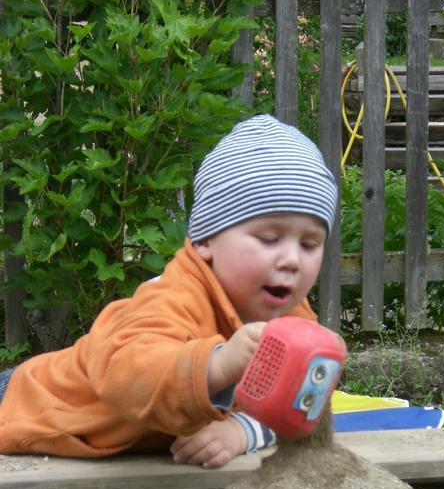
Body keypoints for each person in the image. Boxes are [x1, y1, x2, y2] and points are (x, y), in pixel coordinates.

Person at [0, 114, 338, 468]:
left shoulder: (293, 319)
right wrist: (217, 364)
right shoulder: (173, 297)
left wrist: (242, 431)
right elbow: (125, 375)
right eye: (269, 238)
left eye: (310, 244)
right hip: (30, 406)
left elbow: (299, 407)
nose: (291, 260)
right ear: (206, 240)